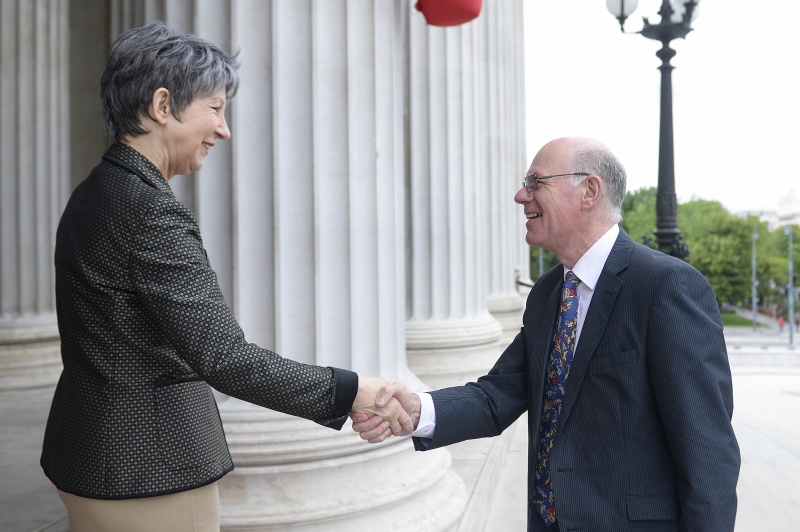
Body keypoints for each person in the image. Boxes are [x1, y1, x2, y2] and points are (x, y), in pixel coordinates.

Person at [40, 22, 410, 532]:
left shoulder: (96, 191)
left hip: (89, 452)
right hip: (148, 472)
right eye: (214, 108)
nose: (223, 129)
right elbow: (226, 358)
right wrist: (351, 391)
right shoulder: (148, 210)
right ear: (163, 105)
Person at [353, 137, 741, 531]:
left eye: (536, 182)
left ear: (589, 190)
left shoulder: (666, 286)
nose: (521, 196)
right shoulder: (548, 292)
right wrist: (415, 409)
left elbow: (708, 455)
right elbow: (497, 395)